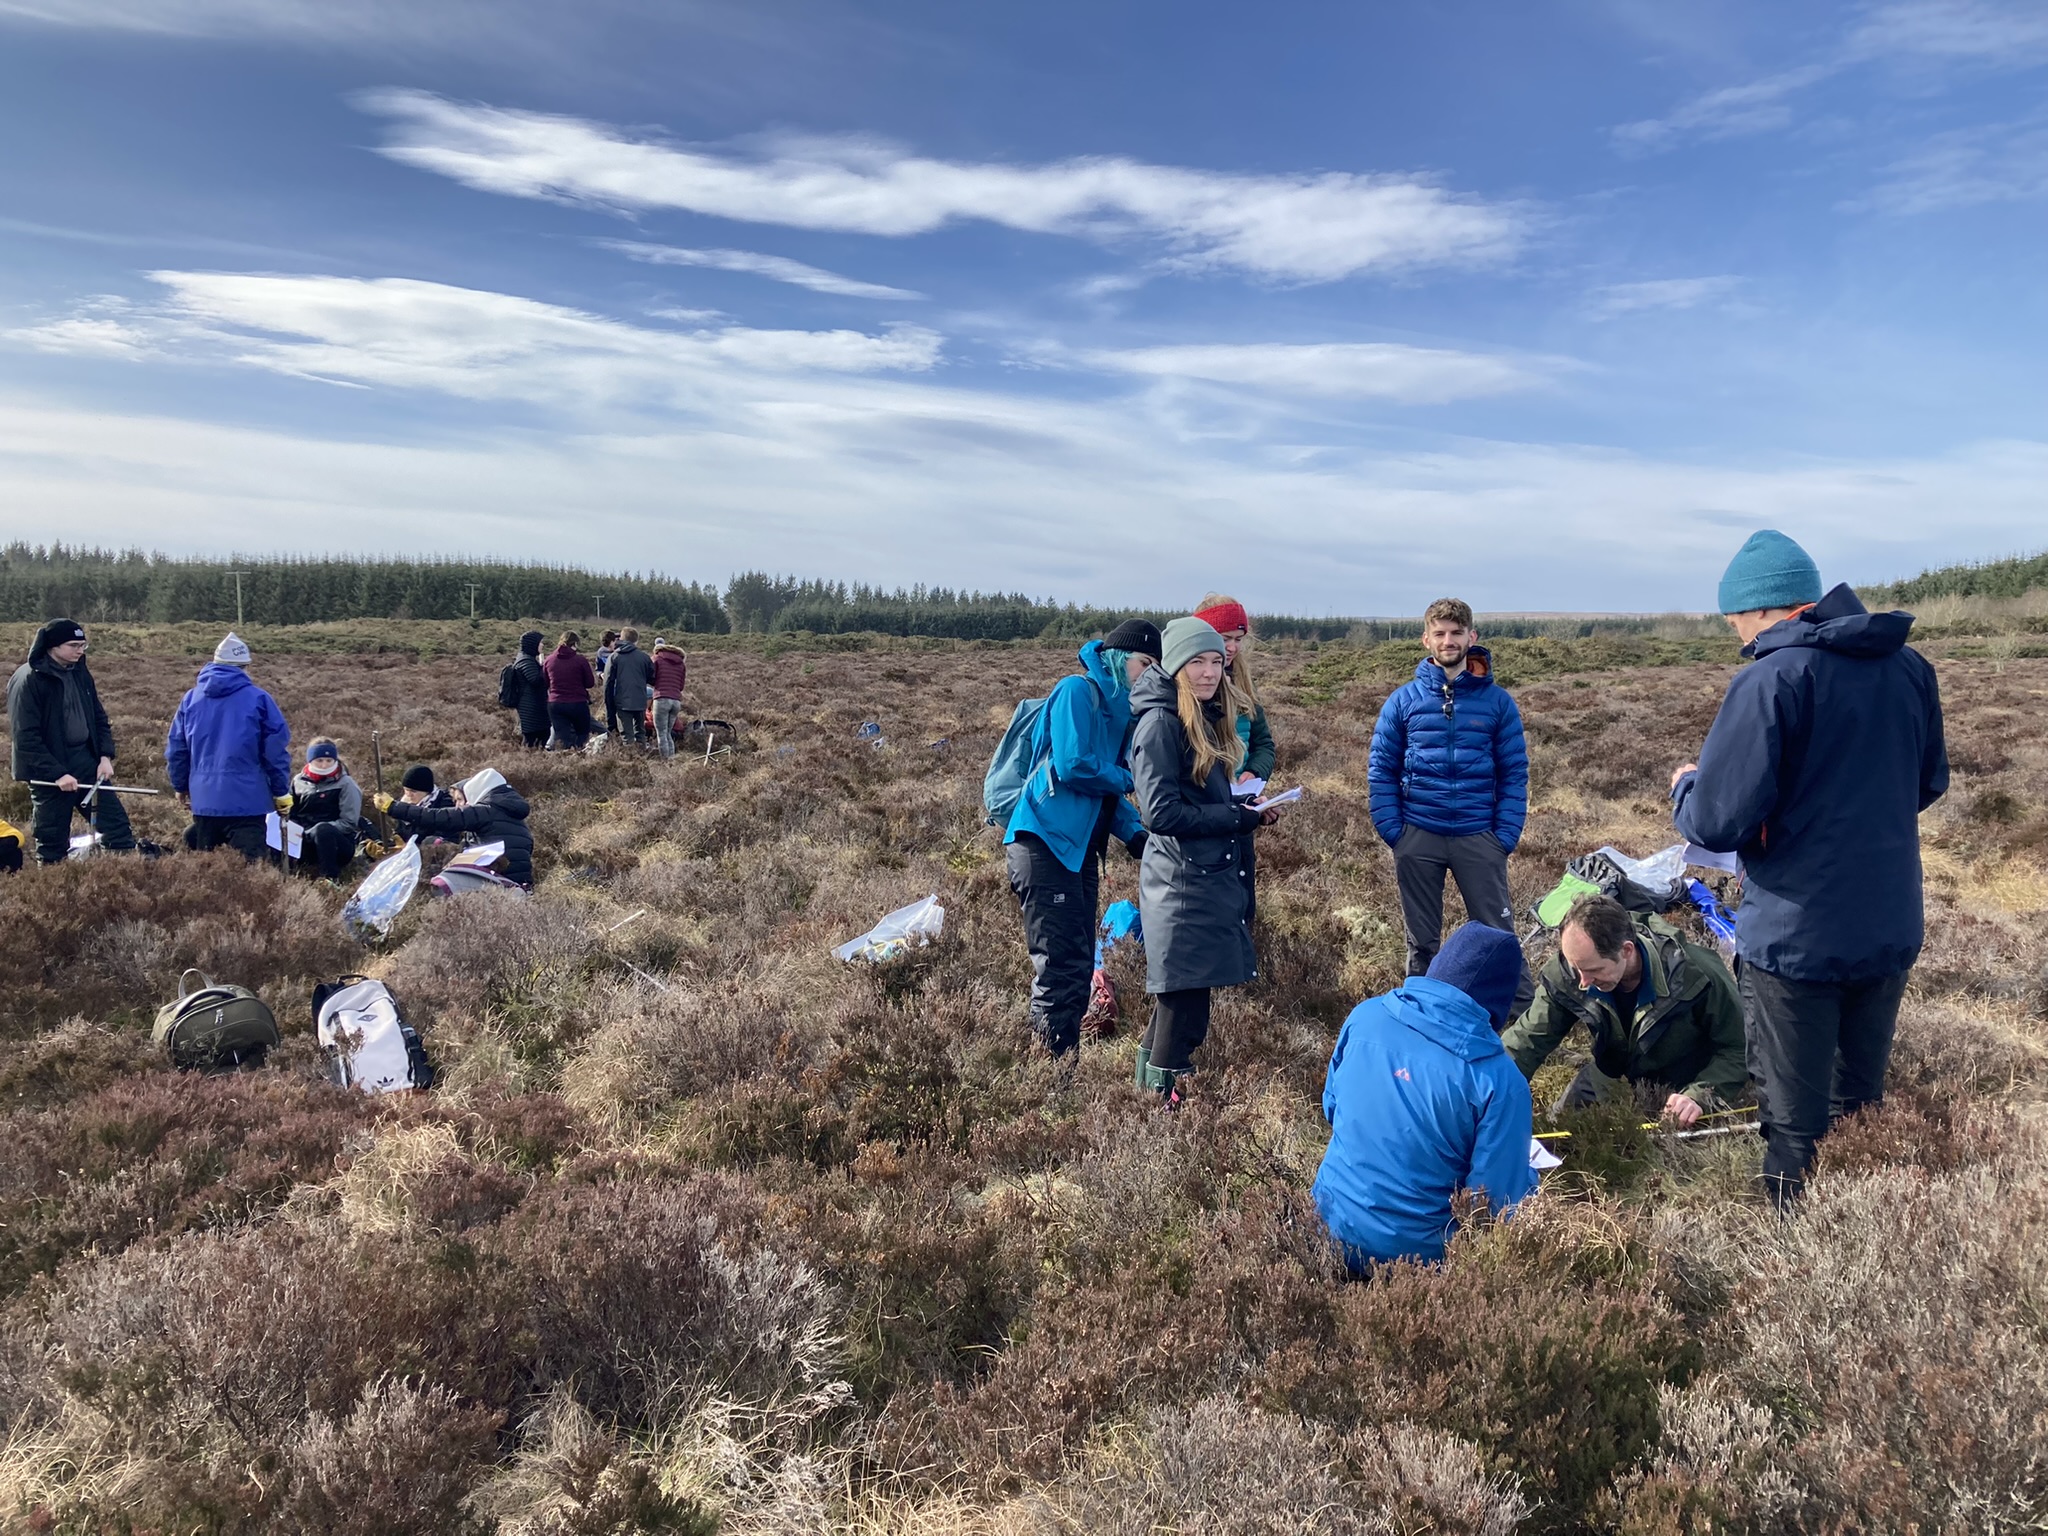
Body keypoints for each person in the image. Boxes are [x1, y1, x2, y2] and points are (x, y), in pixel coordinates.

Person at [1671, 530, 1947, 1205]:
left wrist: (1686, 786)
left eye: (1732, 617)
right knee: (1862, 1105)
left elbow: (1715, 822)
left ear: (1757, 607)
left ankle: (1798, 1260)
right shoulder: (1910, 669)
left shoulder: (1770, 679)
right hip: (1887, 924)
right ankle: (1874, 1238)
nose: (1734, 632)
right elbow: (1927, 784)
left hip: (1796, 941)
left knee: (1793, 1125)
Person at [1314, 922, 1538, 1272]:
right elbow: (1490, 1206)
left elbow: (1332, 1107)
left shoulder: (1365, 1016)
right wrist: (1531, 1180)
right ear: (1501, 1002)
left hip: (1324, 1227)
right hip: (1415, 1265)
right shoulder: (1501, 1082)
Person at [1128, 616, 1283, 1101]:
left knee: (1181, 999)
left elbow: (1194, 799)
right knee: (1183, 1004)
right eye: (1197, 661)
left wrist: (1242, 808)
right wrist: (1236, 821)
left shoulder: (1194, 715)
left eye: (1217, 661)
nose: (1210, 671)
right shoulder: (1159, 723)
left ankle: (1148, 1095)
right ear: (1174, 664)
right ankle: (1163, 1107)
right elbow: (1160, 814)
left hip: (1194, 876)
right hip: (1180, 883)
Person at [1368, 597, 1533, 1017]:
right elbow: (1381, 770)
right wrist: (1397, 833)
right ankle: (1422, 1016)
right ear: (1426, 639)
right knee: (1421, 940)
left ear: (1471, 637)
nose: (1448, 640)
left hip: (1479, 837)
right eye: (1439, 633)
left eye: (1456, 633)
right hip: (1418, 836)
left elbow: (1514, 773)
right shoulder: (1402, 702)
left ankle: (1521, 1021)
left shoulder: (1498, 703)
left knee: (1498, 933)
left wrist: (1503, 837)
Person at [1004, 618, 1161, 1058]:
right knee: (1061, 968)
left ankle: (1059, 1065)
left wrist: (1135, 835)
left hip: (1078, 854)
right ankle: (1051, 1077)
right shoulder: (1078, 691)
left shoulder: (1121, 715)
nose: (1147, 674)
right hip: (1044, 845)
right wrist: (1131, 778)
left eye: (1155, 668)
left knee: (1077, 963)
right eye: (1143, 663)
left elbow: (1104, 795)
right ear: (1116, 657)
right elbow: (1074, 765)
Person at [1502, 893, 1746, 1125]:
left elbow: (1742, 1047)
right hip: (1610, 1075)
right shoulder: (1572, 970)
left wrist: (1699, 1096)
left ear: (1627, 951)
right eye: (1576, 967)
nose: (1583, 982)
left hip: (1681, 1091)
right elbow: (1527, 1040)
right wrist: (1489, 1085)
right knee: (1559, 1137)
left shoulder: (1697, 975)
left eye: (1594, 970)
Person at [7, 619, 136, 865]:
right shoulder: (29, 680)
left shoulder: (79, 672)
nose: (79, 651)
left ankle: (123, 886)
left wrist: (105, 756)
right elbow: (25, 738)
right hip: (49, 773)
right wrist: (57, 774)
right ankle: (55, 892)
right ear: (52, 646)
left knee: (118, 831)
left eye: (83, 645)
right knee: (52, 842)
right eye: (73, 645)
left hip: (87, 763)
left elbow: (98, 717)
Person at [165, 633, 292, 859]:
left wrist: (180, 785)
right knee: (251, 874)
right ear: (244, 666)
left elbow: (177, 748)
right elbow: (275, 752)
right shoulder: (259, 699)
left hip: (204, 800)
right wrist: (281, 791)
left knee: (210, 871)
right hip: (248, 801)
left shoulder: (190, 699)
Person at [1194, 593, 1274, 923]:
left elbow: (1264, 743)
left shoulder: (1243, 682)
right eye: (1224, 638)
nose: (1232, 647)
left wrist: (1253, 773)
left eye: (1238, 639)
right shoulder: (1187, 686)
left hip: (1239, 811)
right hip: (1201, 816)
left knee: (1242, 905)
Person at [376, 766, 534, 887]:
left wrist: (393, 807)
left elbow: (437, 817)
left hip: (494, 881)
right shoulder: (518, 822)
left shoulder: (484, 811)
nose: (459, 805)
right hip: (519, 885)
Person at [285, 738, 364, 883]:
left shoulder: (346, 784)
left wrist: (314, 831)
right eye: (319, 760)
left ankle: (330, 879)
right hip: (305, 841)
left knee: (323, 830)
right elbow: (292, 814)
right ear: (310, 760)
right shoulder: (298, 781)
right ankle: (284, 876)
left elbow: (349, 823)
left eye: (328, 760)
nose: (324, 765)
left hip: (338, 846)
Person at [542, 631, 597, 751]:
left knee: (561, 737)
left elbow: (545, 683)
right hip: (578, 702)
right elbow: (590, 683)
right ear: (575, 644)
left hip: (556, 704)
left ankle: (565, 760)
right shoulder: (580, 660)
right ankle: (580, 757)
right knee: (582, 735)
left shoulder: (549, 660)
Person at [605, 627, 655, 748]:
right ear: (636, 640)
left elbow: (608, 683)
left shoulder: (614, 657)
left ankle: (631, 761)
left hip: (622, 702)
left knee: (627, 736)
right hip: (640, 700)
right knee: (640, 733)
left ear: (621, 639)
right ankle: (642, 759)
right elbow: (652, 679)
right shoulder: (644, 657)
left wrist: (609, 703)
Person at [507, 631, 551, 751]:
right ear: (532, 644)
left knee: (540, 737)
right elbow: (536, 680)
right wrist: (544, 667)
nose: (542, 645)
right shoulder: (526, 661)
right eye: (540, 643)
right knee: (532, 740)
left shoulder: (526, 658)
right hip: (531, 709)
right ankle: (528, 762)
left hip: (533, 707)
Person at [650, 639, 689, 759]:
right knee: (668, 733)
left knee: (661, 734)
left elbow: (651, 678)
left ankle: (665, 762)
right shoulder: (681, 664)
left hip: (661, 698)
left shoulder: (656, 659)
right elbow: (681, 686)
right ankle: (672, 759)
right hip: (676, 701)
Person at [593, 629, 621, 737]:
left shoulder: (621, 650)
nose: (610, 648)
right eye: (607, 646)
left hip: (621, 686)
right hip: (608, 686)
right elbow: (598, 669)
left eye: (611, 645)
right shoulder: (600, 653)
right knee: (610, 712)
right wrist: (600, 674)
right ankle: (612, 734)